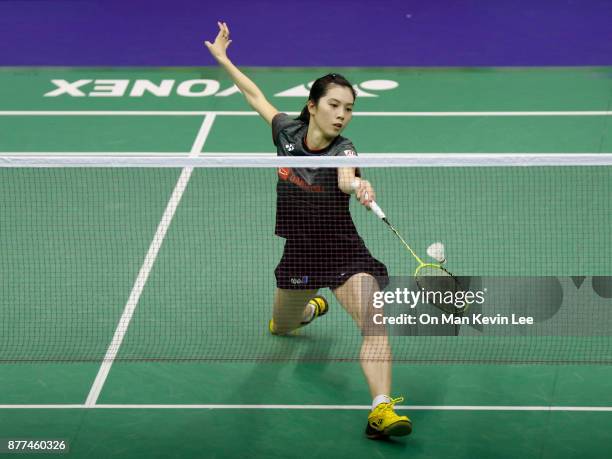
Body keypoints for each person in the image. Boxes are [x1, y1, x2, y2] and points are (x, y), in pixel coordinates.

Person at [205, 21, 412, 439]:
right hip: (300, 254)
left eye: (349, 108)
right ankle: (310, 308)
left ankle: (381, 409)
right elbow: (255, 97)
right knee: (282, 326)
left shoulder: (345, 150)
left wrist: (359, 184)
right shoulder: (286, 133)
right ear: (313, 105)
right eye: (335, 105)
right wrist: (225, 60)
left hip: (343, 253)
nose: (342, 115)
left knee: (374, 322)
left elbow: (345, 178)